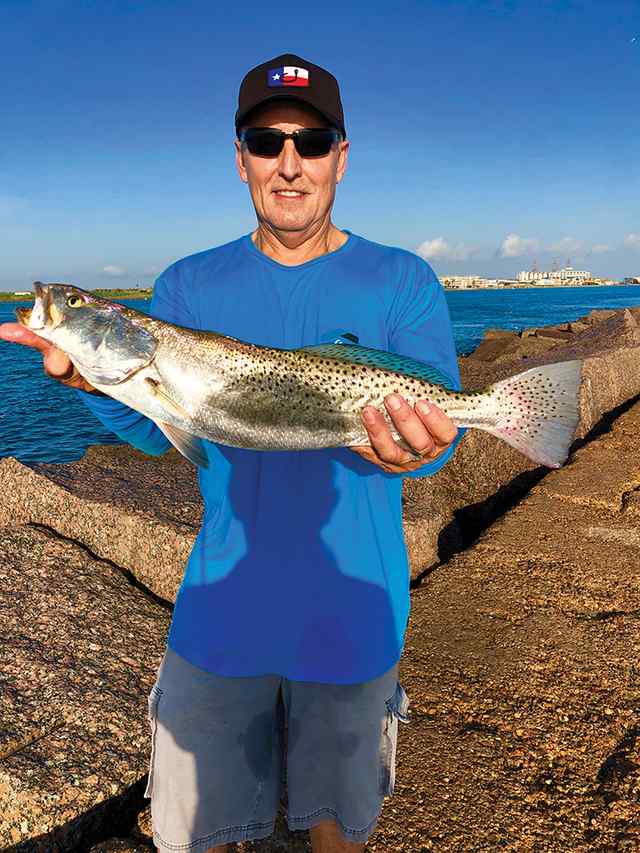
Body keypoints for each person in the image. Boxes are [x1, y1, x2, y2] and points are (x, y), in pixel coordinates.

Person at [0, 53, 462, 853]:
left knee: (338, 831)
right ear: (241, 158)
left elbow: (435, 436)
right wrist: (86, 379)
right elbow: (160, 428)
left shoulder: (403, 279)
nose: (290, 162)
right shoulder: (186, 284)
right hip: (221, 613)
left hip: (355, 611)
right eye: (266, 141)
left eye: (311, 142)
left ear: (341, 157)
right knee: (194, 831)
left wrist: (416, 453)